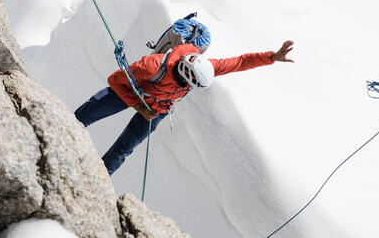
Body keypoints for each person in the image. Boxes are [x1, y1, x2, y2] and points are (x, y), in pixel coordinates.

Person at [75, 39, 295, 175]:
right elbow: (115, 80)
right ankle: (61, 126)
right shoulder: (152, 67)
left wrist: (272, 57)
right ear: (186, 73)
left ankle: (97, 178)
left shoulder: (205, 67)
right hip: (134, 93)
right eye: (191, 84)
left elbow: (238, 62)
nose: (191, 88)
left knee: (124, 148)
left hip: (158, 108)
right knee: (86, 115)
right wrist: (139, 107)